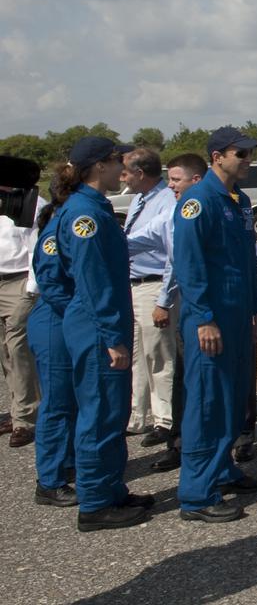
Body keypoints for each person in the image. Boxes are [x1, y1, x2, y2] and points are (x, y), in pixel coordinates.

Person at [56, 136, 155, 531]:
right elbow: (94, 281)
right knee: (99, 415)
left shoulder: (95, 207)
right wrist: (113, 337)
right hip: (98, 327)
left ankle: (112, 488)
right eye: (118, 160)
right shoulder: (85, 214)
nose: (122, 167)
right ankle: (95, 503)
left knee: (112, 412)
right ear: (99, 166)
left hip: (103, 323)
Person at [171, 126, 257, 523]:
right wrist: (204, 318)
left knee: (232, 400)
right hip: (210, 319)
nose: (248, 160)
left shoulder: (239, 200)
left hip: (238, 314)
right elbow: (189, 265)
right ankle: (197, 494)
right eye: (240, 154)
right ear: (217, 157)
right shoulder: (198, 201)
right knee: (208, 405)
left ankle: (223, 469)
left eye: (249, 154)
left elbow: (247, 261)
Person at [124, 152, 208, 474]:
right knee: (144, 358)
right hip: (153, 289)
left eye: (175, 179)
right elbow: (136, 241)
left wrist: (163, 299)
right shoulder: (160, 208)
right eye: (170, 179)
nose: (170, 184)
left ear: (195, 181)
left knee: (172, 363)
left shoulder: (186, 210)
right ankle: (165, 432)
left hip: (181, 299)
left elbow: (174, 263)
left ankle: (175, 431)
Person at [120, 147, 179, 448]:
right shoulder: (139, 200)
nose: (123, 177)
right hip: (134, 283)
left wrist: (163, 300)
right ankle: (138, 415)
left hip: (154, 285)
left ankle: (165, 420)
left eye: (126, 172)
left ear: (141, 173)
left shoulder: (166, 201)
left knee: (159, 355)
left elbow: (171, 255)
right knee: (138, 355)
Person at [29, 188, 76, 507]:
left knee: (71, 400)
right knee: (57, 403)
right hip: (55, 321)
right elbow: (51, 283)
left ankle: (68, 462)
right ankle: (49, 480)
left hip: (67, 318)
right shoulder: (56, 229)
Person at [0, 179, 42, 449]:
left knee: (18, 347)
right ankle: (17, 410)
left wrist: (31, 289)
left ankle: (26, 420)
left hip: (19, 282)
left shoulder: (30, 203)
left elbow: (35, 247)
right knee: (4, 352)